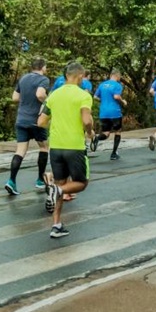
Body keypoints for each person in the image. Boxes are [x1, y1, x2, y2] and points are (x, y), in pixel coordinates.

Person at [39, 62, 95, 237]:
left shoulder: (53, 96)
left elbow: (40, 121)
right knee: (81, 183)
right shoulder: (83, 95)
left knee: (60, 183)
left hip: (56, 146)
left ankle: (56, 225)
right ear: (80, 76)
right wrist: (90, 132)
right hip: (75, 146)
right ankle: (59, 191)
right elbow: (86, 120)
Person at [4, 58, 50, 196]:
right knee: (44, 147)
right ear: (42, 67)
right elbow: (40, 94)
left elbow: (14, 97)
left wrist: (26, 100)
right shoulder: (43, 79)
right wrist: (48, 101)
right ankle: (40, 180)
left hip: (21, 119)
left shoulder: (23, 78)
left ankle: (11, 181)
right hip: (36, 120)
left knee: (20, 151)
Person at [90, 69, 126, 160]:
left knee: (106, 133)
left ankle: (97, 138)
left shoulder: (102, 85)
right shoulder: (117, 85)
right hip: (115, 112)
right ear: (117, 76)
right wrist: (123, 102)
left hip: (104, 112)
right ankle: (114, 154)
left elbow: (95, 96)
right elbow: (116, 96)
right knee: (118, 131)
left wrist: (103, 101)